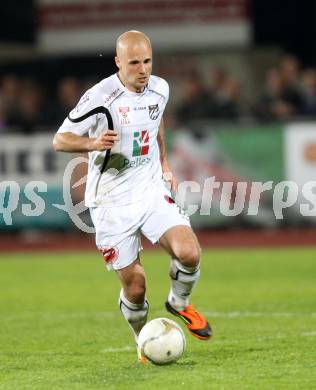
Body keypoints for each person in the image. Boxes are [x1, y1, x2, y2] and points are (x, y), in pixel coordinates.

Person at [53, 30, 211, 362]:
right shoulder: (100, 97)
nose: (143, 70)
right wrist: (92, 144)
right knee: (136, 287)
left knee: (189, 252)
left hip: (149, 188)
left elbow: (156, 122)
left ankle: (180, 303)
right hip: (110, 203)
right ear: (118, 63)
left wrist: (165, 163)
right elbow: (61, 140)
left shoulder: (160, 88)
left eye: (147, 61)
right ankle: (144, 339)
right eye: (134, 63)